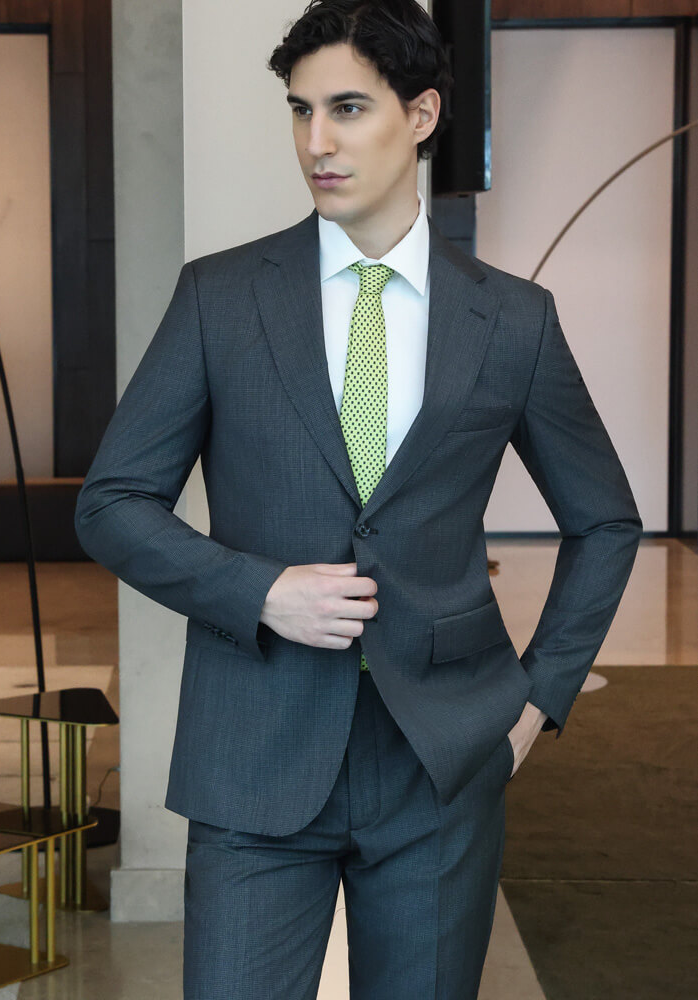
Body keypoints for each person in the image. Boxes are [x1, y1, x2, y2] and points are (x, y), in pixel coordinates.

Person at [74, 1, 643, 997]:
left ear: (421, 115)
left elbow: (604, 521)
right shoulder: (219, 297)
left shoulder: (513, 320)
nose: (316, 143)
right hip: (255, 754)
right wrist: (260, 591)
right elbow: (111, 501)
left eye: (346, 108)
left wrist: (534, 703)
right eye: (300, 111)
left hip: (442, 763)